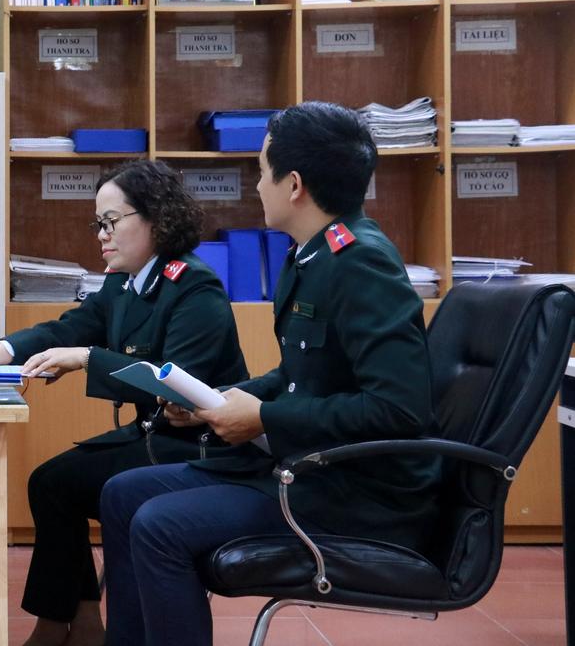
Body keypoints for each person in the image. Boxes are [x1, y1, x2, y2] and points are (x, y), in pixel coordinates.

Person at [98, 102, 440, 646]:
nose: (257, 185)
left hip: (353, 490)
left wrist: (264, 418)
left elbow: (399, 409)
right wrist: (219, 401)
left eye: (261, 171)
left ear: (294, 185)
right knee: (122, 493)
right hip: (305, 465)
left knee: (160, 525)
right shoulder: (312, 254)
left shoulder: (361, 262)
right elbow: (299, 375)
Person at [0, 160, 247, 646]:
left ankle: (69, 626)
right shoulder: (123, 282)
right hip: (153, 437)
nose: (101, 235)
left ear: (156, 218)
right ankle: (77, 619)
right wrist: (1, 350)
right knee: (51, 483)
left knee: (65, 484)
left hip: (196, 445)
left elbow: (174, 385)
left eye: (111, 222)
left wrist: (88, 358)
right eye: (99, 224)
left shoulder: (194, 286)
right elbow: (70, 327)